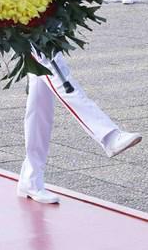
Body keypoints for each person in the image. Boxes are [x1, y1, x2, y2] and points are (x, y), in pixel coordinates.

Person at [18, 51, 142, 204]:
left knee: (40, 99)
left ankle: (31, 177)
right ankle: (109, 136)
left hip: (40, 29)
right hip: (33, 31)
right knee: (57, 74)